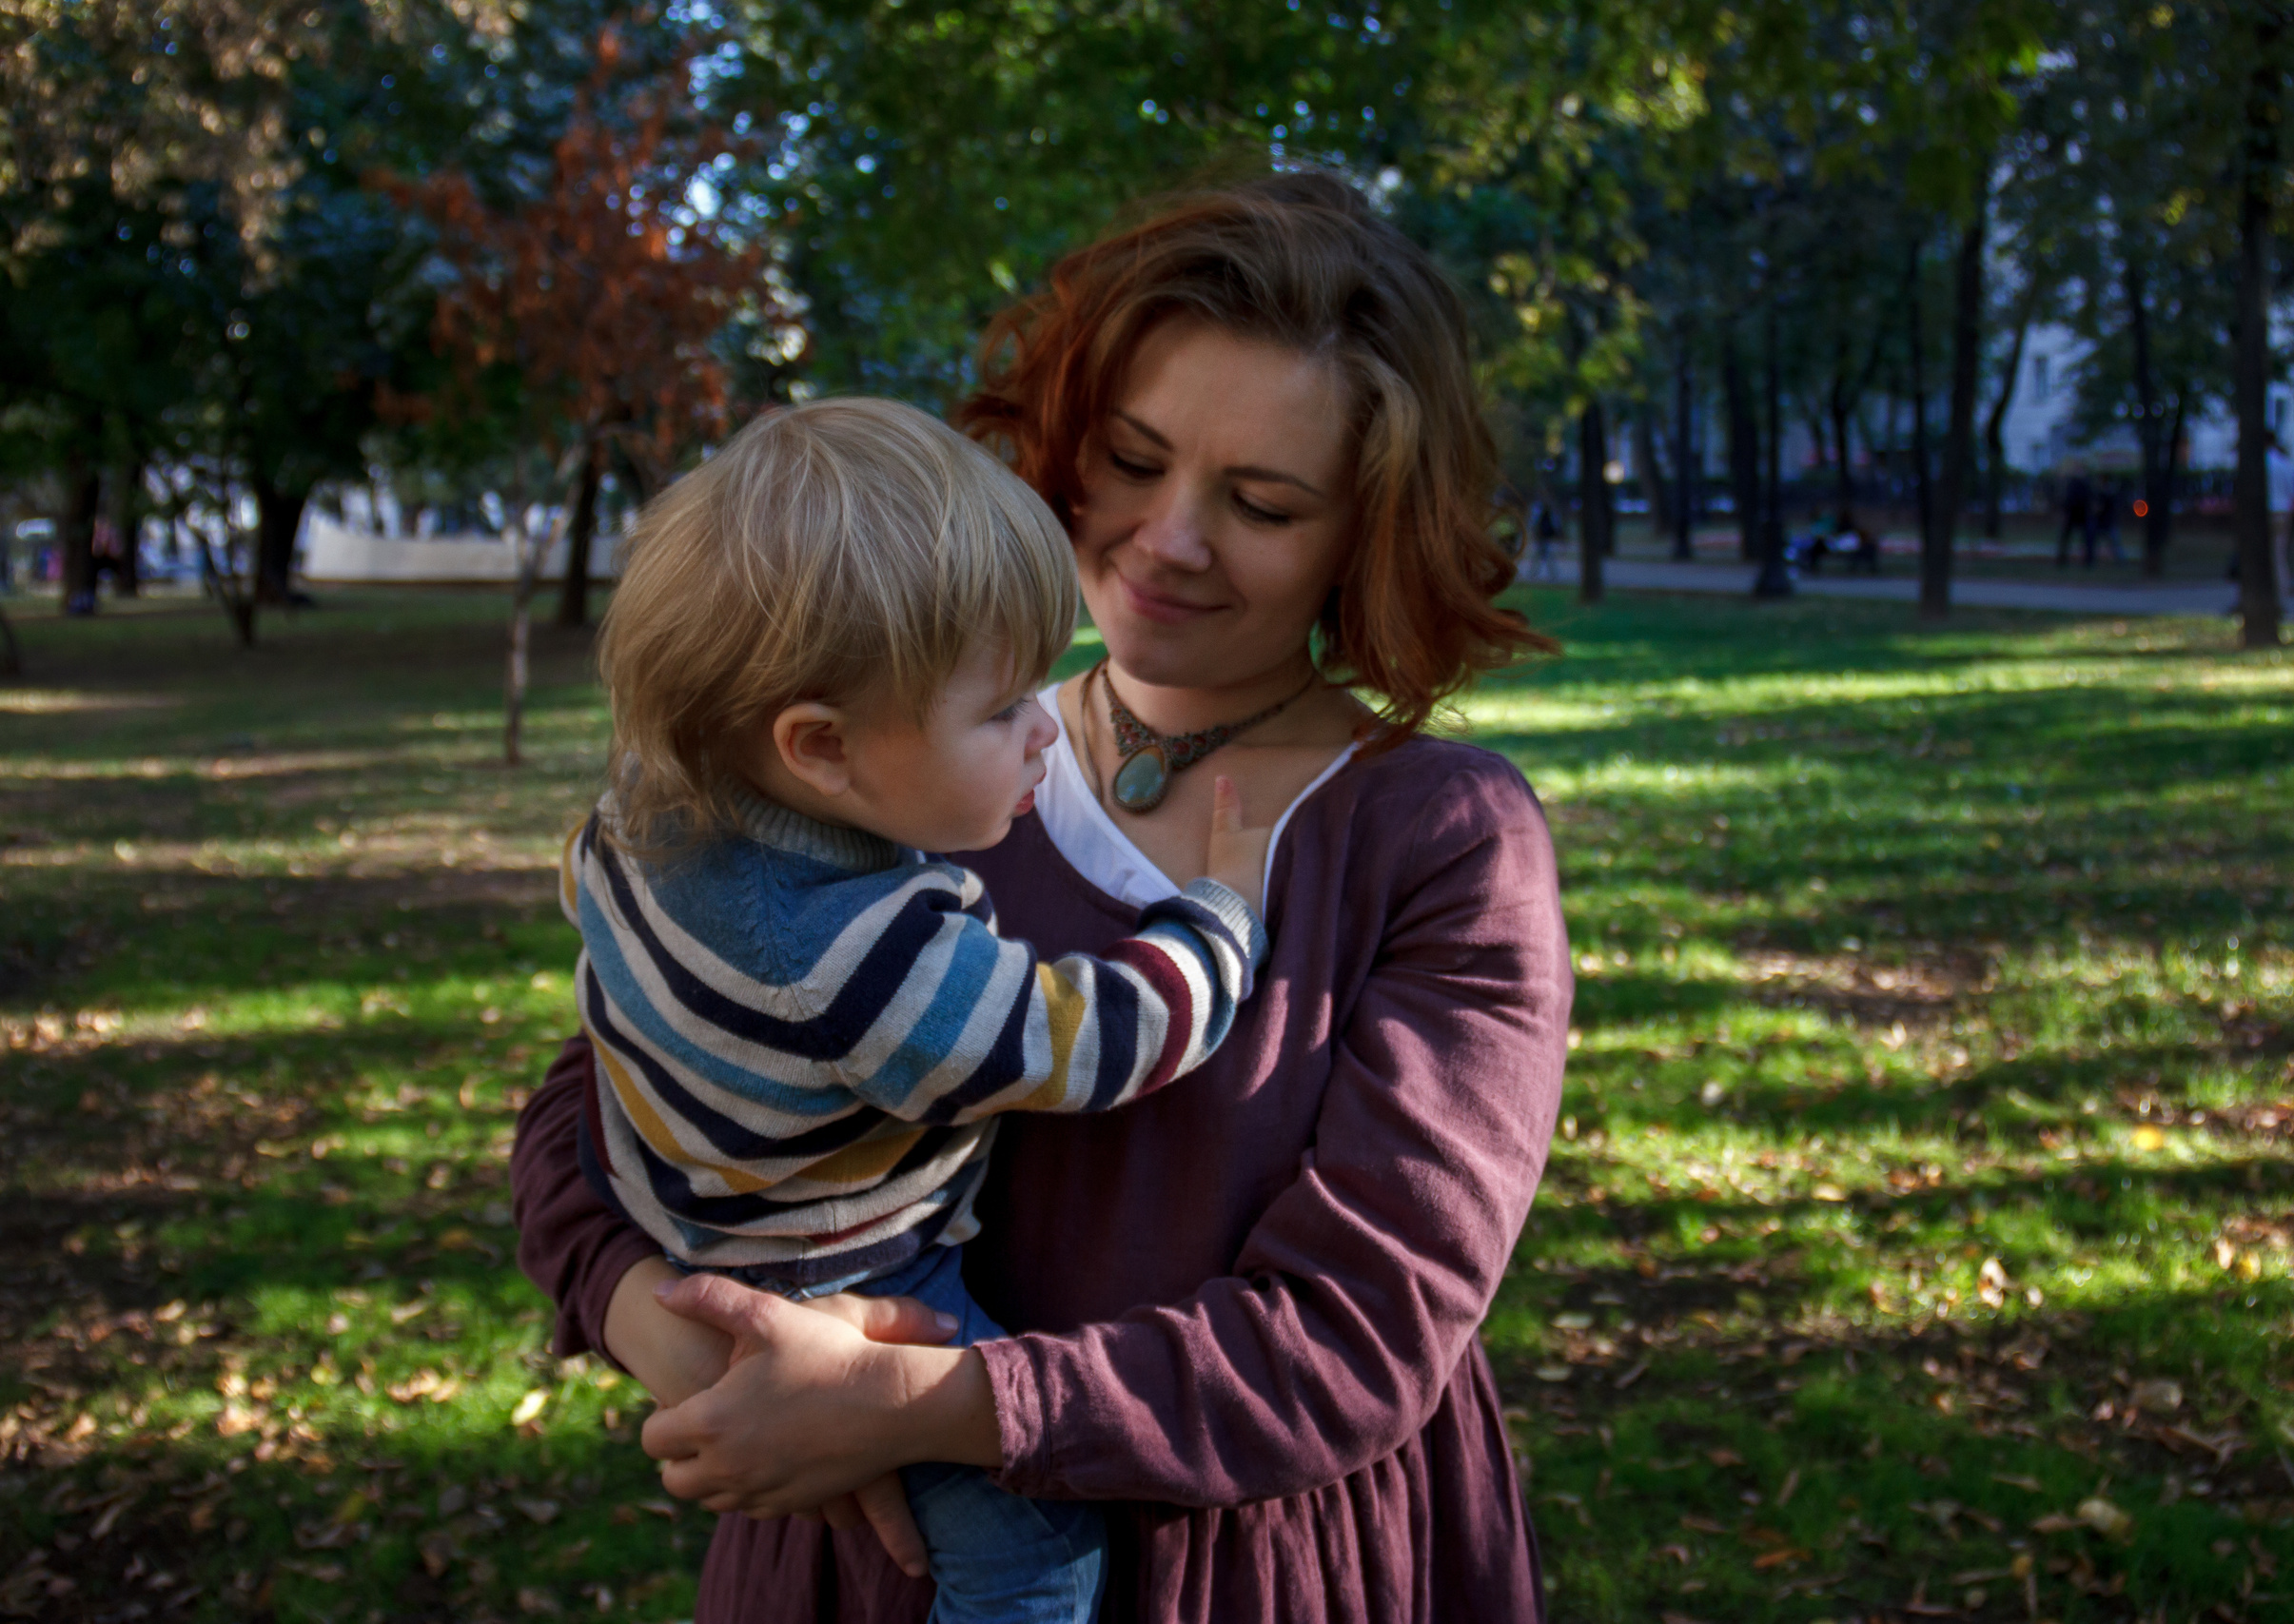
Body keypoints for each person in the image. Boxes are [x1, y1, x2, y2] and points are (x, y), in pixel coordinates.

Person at [512, 171, 1574, 1623]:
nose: (1168, 536)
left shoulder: (1438, 839)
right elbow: (612, 1091)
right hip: (862, 1547)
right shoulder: (892, 755)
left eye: (1261, 501)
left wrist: (928, 1402)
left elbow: (1361, 1332)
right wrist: (667, 1320)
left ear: (1362, 530)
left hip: (1251, 1561)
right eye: (1131, 460)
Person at [562, 398, 1276, 1622]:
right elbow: (1096, 1035)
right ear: (822, 750)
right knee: (1039, 1554)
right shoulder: (865, 961)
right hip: (840, 1287)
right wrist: (1222, 915)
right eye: (1000, 710)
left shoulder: (641, 818)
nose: (1046, 724)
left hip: (671, 1200)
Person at [2265, 433, 2294, 601]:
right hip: (2282, 512)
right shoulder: (2286, 464)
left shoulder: (2260, 464)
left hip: (2265, 511)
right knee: (2279, 554)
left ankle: (2263, 591)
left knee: (2260, 554)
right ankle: (2281, 592)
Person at [2056, 465, 2094, 567]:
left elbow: (2089, 499)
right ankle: (2062, 560)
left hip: (2083, 515)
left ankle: (2088, 561)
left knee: (2088, 539)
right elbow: (2067, 500)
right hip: (2072, 515)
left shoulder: (2086, 484)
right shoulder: (2072, 484)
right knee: (2065, 538)